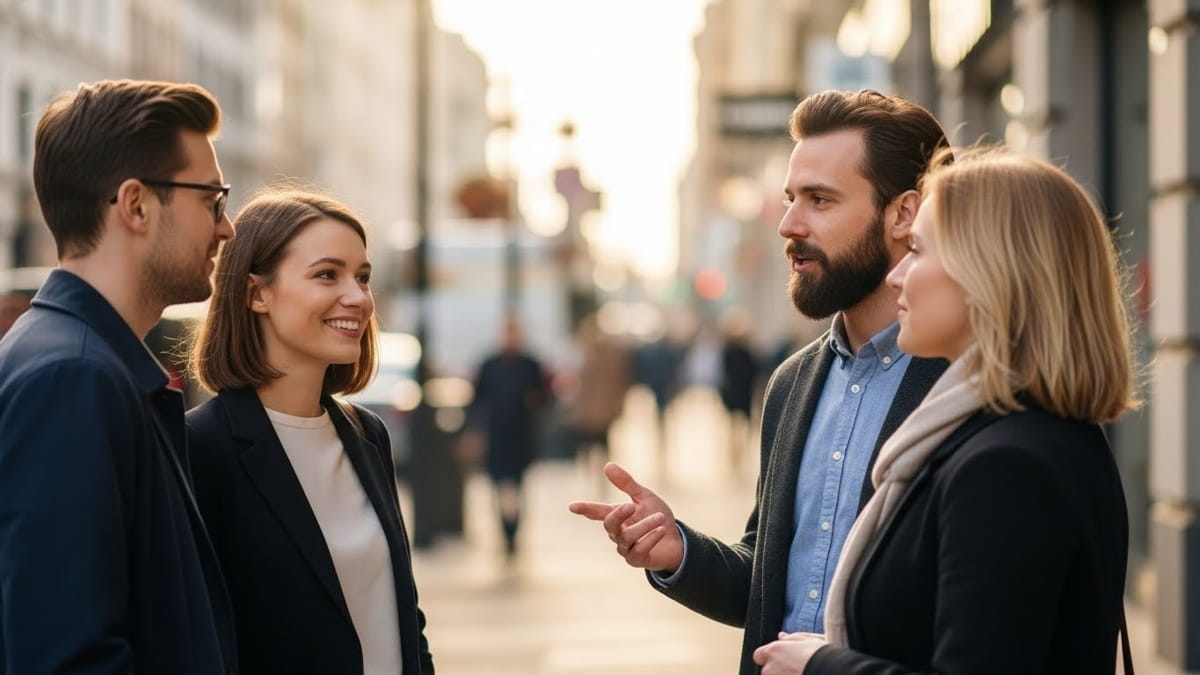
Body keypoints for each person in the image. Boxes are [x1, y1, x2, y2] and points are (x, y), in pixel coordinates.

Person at [569, 89, 951, 674]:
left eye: (820, 200)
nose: (788, 224)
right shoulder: (793, 384)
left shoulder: (968, 387)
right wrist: (679, 551)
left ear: (903, 213)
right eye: (789, 199)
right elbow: (773, 580)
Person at [753, 150, 1138, 673]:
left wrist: (822, 665)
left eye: (916, 249)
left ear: (990, 273)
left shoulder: (1008, 465)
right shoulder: (1018, 434)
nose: (897, 276)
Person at [0, 79, 237, 673]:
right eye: (213, 199)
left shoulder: (78, 360)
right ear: (135, 205)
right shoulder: (73, 377)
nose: (226, 227)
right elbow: (68, 656)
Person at [185, 190, 435, 674]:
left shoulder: (366, 435)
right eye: (327, 274)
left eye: (362, 277)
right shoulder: (200, 447)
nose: (358, 297)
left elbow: (406, 618)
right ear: (256, 293)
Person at [463, 313, 552, 559]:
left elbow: (544, 397)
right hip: (496, 437)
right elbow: (476, 400)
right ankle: (504, 534)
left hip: (521, 437)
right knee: (497, 488)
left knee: (518, 488)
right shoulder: (489, 363)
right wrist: (474, 433)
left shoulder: (530, 364)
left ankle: (514, 535)